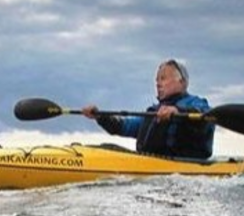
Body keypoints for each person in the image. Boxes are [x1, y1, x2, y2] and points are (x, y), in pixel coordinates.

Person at [81, 59, 215, 159]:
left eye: (163, 78)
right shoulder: (153, 112)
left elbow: (205, 115)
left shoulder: (196, 103)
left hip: (185, 168)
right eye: (157, 80)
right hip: (150, 165)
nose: (158, 83)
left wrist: (177, 111)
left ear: (182, 82)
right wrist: (100, 116)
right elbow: (122, 126)